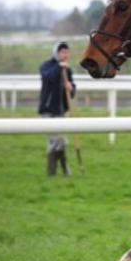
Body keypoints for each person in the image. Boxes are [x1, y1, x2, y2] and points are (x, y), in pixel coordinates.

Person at [39, 41, 76, 176]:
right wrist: (59, 67)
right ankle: (58, 171)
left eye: (67, 52)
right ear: (56, 53)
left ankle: (58, 171)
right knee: (54, 141)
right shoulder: (46, 66)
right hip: (48, 109)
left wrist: (71, 88)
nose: (65, 55)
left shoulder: (68, 70)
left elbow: (72, 91)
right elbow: (49, 78)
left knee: (60, 141)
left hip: (61, 110)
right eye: (62, 52)